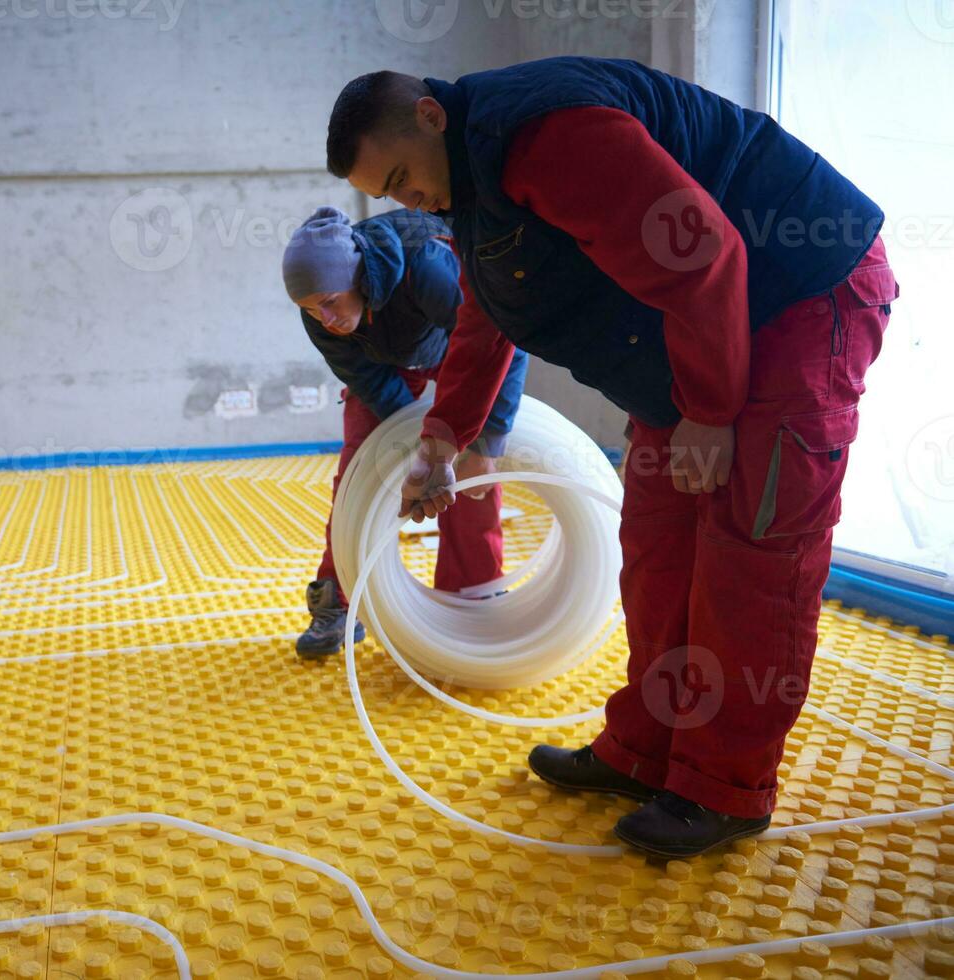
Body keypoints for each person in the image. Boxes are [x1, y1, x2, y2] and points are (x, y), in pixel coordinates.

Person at [324, 57, 897, 857]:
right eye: (388, 196)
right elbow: (488, 317)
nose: (407, 201)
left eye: (401, 178)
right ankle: (646, 750)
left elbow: (705, 255)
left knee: (749, 554)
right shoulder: (471, 186)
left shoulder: (546, 134)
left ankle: (723, 788)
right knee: (657, 545)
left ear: (428, 116)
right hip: (698, 335)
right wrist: (441, 437)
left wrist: (708, 411)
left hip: (797, 294)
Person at [284, 206, 528, 657]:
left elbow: (501, 339)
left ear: (356, 276)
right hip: (385, 366)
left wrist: (486, 441)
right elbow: (370, 382)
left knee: (471, 465)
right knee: (359, 474)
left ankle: (473, 592)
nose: (325, 318)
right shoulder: (319, 312)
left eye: (331, 302)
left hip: (456, 345)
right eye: (310, 309)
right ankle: (338, 602)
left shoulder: (426, 265)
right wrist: (412, 443)